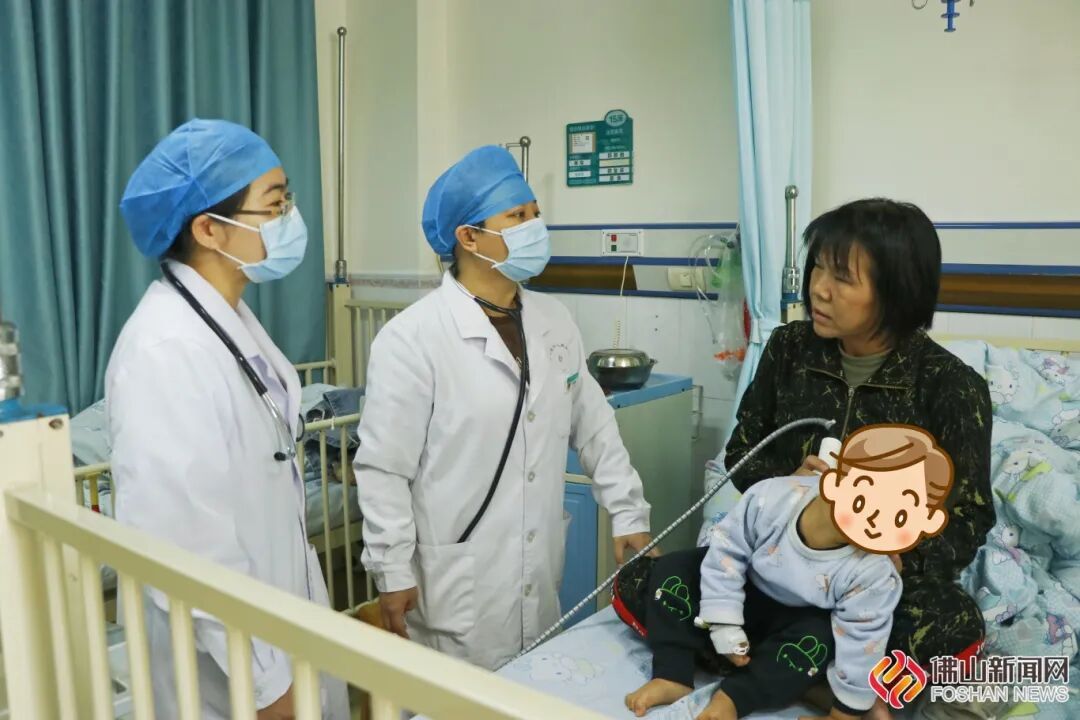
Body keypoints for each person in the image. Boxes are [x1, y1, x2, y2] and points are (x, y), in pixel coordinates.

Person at [354, 145, 655, 671]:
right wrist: (391, 568)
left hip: (536, 578)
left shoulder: (554, 321)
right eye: (517, 216)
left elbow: (594, 426)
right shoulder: (412, 339)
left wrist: (627, 510)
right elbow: (384, 469)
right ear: (468, 237)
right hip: (454, 588)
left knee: (532, 687)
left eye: (535, 213)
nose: (535, 226)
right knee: (451, 702)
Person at [108, 118, 348, 719]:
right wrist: (265, 684)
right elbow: (185, 543)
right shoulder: (165, 349)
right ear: (209, 229)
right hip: (229, 671)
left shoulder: (225, 320)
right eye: (275, 204)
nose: (290, 217)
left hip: (278, 621)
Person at [723, 199, 994, 709]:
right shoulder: (788, 350)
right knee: (660, 579)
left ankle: (791, 663)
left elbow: (970, 517)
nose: (819, 288)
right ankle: (822, 672)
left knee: (953, 620)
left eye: (843, 277)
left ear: (896, 291)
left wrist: (896, 553)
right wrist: (784, 482)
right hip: (782, 562)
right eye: (818, 267)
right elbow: (741, 453)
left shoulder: (950, 387)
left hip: (871, 584)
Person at [621, 424, 955, 720]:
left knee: (819, 640)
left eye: (899, 518)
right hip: (743, 587)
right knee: (672, 569)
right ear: (836, 483)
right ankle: (673, 673)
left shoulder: (874, 572)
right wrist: (723, 622)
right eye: (866, 500)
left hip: (799, 621)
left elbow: (863, 641)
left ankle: (737, 696)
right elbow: (725, 554)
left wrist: (846, 712)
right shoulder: (771, 498)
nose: (874, 520)